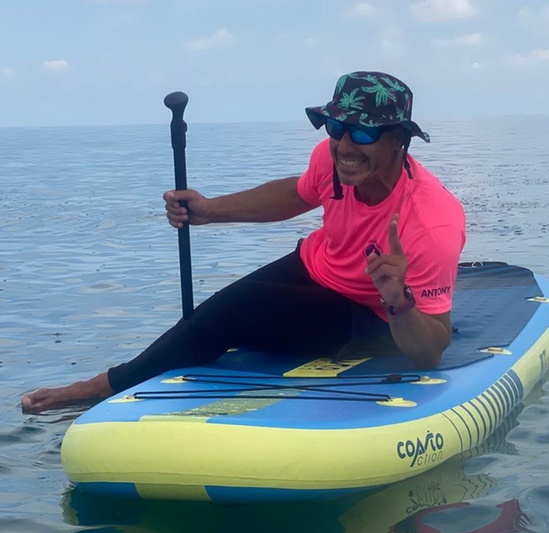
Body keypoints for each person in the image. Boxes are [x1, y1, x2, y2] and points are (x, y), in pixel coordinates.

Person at [21, 71, 466, 413]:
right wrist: (210, 211)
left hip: (371, 312)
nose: (345, 146)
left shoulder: (432, 224)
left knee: (235, 312)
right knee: (221, 308)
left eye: (364, 133)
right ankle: (147, 375)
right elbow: (297, 194)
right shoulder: (333, 160)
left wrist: (398, 300)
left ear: (399, 140)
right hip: (316, 266)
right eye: (336, 127)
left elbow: (430, 352)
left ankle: (99, 388)